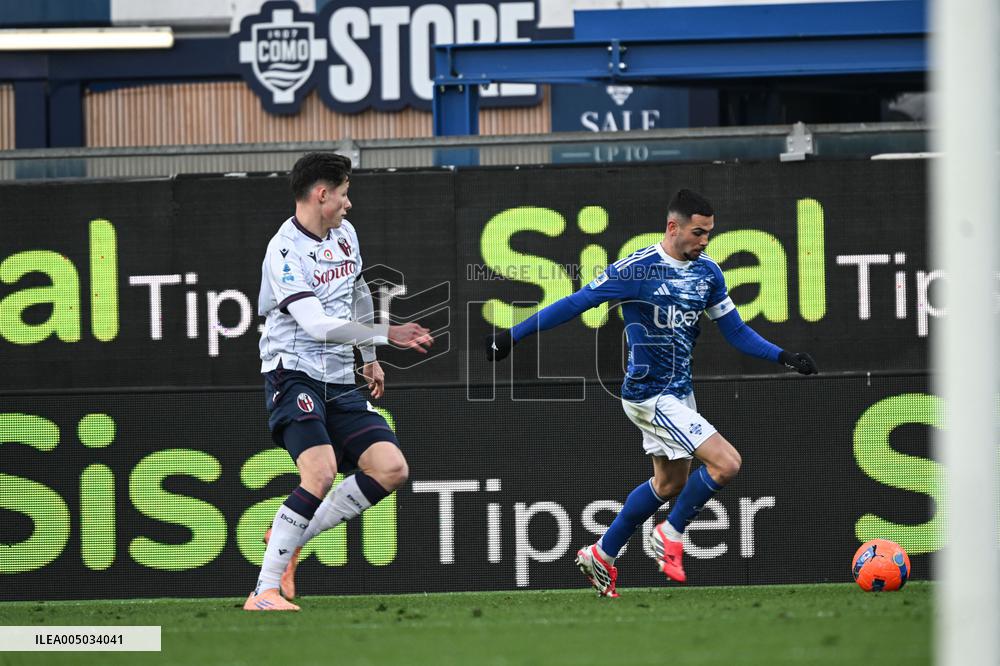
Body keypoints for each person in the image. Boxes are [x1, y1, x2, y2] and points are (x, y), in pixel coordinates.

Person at [486, 189, 817, 598]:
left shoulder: (708, 273)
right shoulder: (636, 270)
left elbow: (736, 331)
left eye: (709, 233)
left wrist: (784, 356)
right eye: (698, 232)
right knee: (727, 463)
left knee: (669, 484)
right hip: (649, 394)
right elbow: (575, 303)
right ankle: (670, 533)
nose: (705, 241)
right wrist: (513, 336)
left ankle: (601, 554)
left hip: (679, 393)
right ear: (673, 227)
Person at [245, 152, 433, 611]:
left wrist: (369, 358)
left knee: (391, 468)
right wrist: (387, 334)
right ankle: (263, 592)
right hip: (293, 373)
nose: (349, 204)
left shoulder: (345, 234)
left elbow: (358, 293)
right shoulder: (284, 251)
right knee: (321, 472)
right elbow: (315, 325)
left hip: (339, 377)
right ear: (321, 194)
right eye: (344, 194)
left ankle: (287, 540)